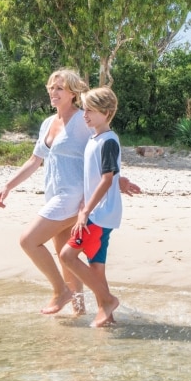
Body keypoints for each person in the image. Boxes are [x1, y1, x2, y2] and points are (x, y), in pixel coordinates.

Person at [0, 69, 139, 315]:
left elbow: (102, 149)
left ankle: (61, 292)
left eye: (59, 88)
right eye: (51, 87)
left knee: (28, 240)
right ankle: (79, 312)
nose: (53, 92)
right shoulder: (47, 123)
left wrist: (117, 179)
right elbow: (34, 160)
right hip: (54, 194)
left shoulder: (84, 120)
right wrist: (8, 185)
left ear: (73, 93)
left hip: (74, 197)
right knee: (66, 261)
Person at [59, 86, 122, 328]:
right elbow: (105, 176)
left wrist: (85, 211)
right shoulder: (95, 139)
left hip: (100, 214)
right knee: (96, 267)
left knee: (67, 255)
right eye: (84, 109)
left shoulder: (108, 140)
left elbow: (107, 178)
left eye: (90, 110)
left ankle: (107, 300)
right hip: (99, 212)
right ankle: (107, 316)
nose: (84, 115)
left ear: (106, 113)